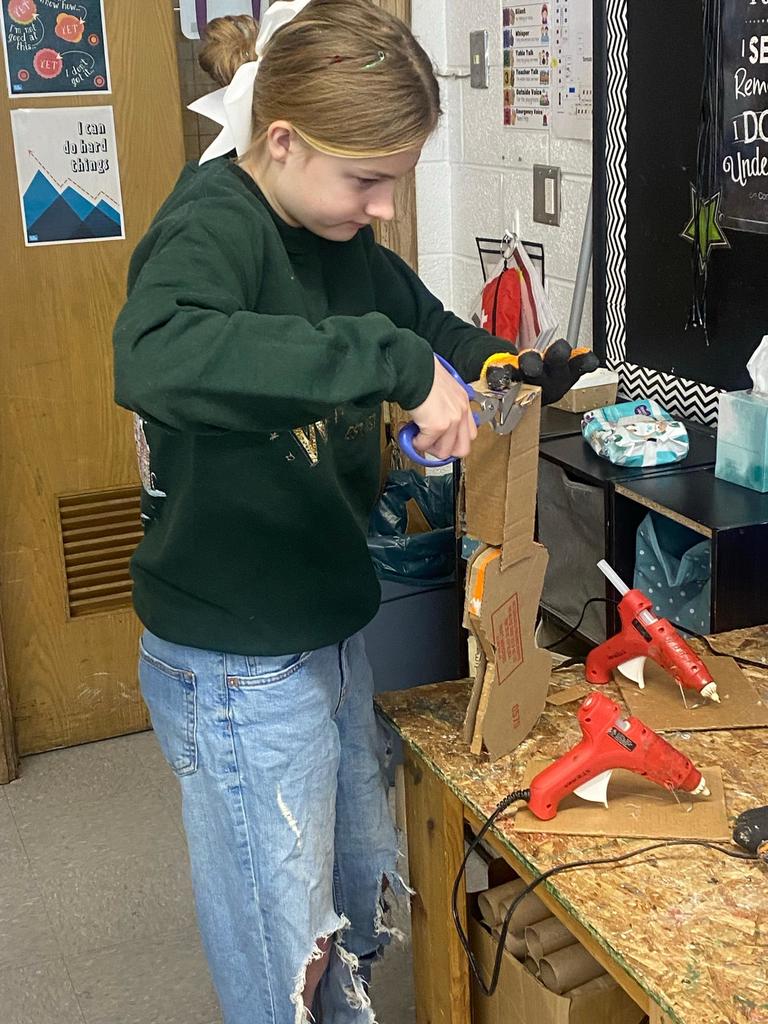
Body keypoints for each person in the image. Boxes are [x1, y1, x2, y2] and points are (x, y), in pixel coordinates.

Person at [113, 2, 594, 1022]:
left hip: (327, 626)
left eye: (397, 181)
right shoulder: (214, 224)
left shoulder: (332, 230)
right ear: (281, 141)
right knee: (286, 951)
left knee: (346, 911)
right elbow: (154, 354)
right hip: (237, 656)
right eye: (365, 180)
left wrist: (500, 367)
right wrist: (398, 367)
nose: (381, 208)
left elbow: (423, 323)